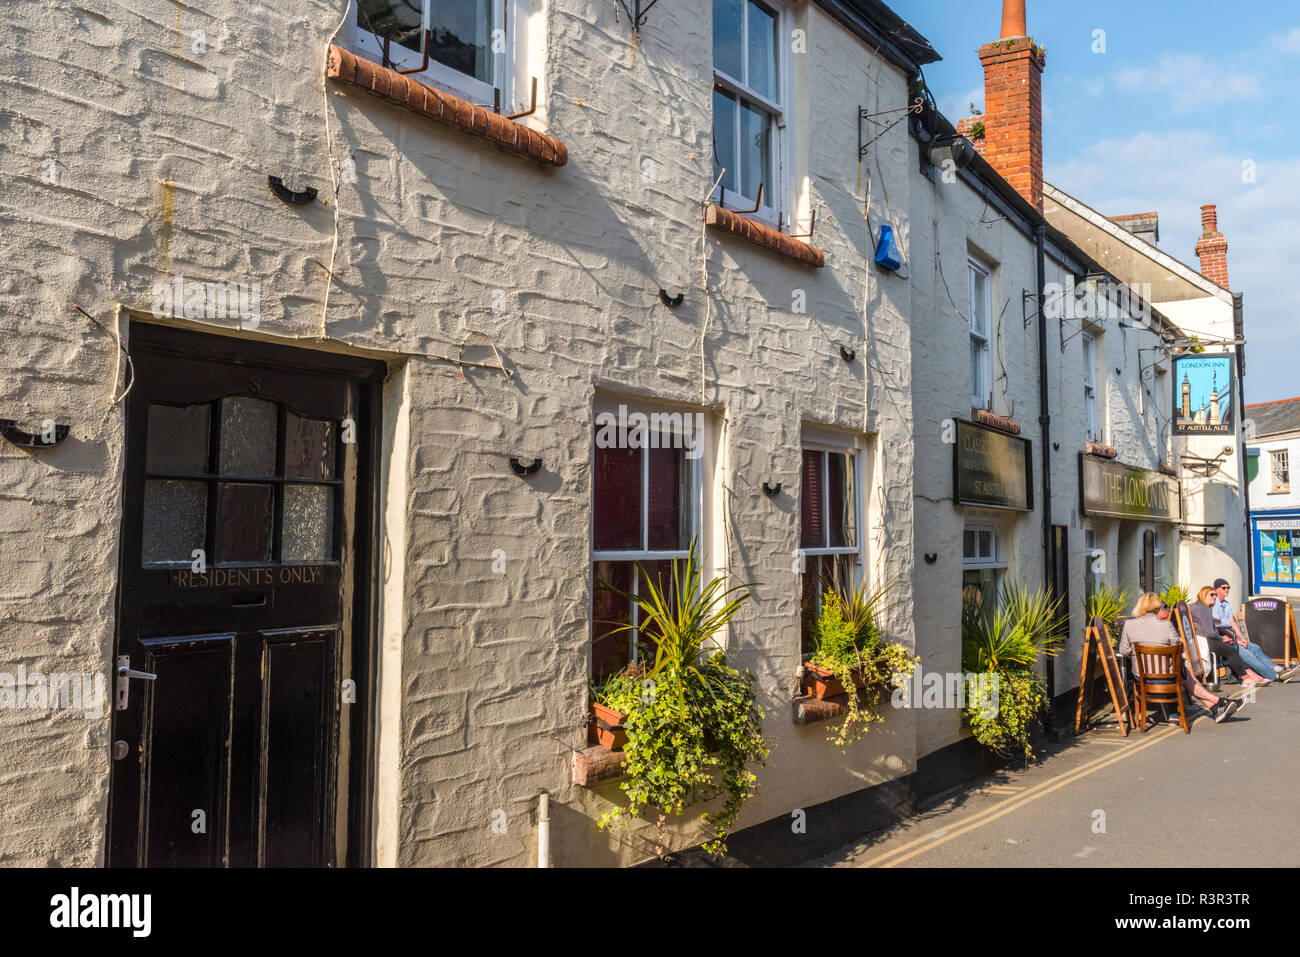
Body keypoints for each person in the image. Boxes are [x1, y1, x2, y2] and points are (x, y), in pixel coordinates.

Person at [1118, 593, 1240, 724]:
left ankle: (1215, 706)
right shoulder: (1166, 626)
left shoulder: (1129, 625)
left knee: (1181, 671)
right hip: (1167, 678)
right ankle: (1217, 702)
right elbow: (1179, 649)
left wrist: (1137, 650)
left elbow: (1123, 651)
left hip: (1142, 678)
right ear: (1157, 607)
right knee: (1181, 671)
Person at [1210, 579, 1299, 683]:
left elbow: (1233, 623)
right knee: (1248, 655)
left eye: (1228, 588)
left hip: (1233, 636)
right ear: (1216, 589)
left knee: (1254, 648)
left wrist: (1242, 639)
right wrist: (1235, 640)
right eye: (1224, 588)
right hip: (1225, 638)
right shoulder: (1213, 605)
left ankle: (1277, 668)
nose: (1227, 590)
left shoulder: (1226, 604)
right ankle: (1274, 676)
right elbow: (1218, 627)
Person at [1191, 586, 1270, 688]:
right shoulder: (1203, 609)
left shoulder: (1196, 607)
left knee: (1232, 648)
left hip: (1199, 641)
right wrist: (1222, 638)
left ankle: (1252, 676)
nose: (1214, 597)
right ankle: (1247, 678)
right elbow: (1209, 632)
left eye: (1215, 594)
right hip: (1205, 642)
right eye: (1211, 594)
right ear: (1203, 595)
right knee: (1232, 651)